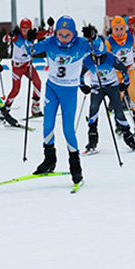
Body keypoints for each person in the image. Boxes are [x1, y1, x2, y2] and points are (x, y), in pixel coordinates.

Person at [29, 15, 89, 185]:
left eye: (67, 35)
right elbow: (30, 51)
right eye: (60, 34)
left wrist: (94, 38)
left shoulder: (81, 44)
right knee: (47, 125)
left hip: (69, 91)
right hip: (52, 89)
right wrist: (29, 40)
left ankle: (76, 167)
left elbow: (101, 50)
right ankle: (49, 160)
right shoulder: (50, 42)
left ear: (74, 34)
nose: (63, 38)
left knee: (68, 129)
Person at [80, 35, 135, 153]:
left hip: (112, 86)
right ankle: (92, 140)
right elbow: (80, 74)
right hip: (97, 87)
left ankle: (129, 139)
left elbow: (123, 69)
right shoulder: (88, 59)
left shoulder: (110, 57)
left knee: (119, 112)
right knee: (93, 110)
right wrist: (82, 86)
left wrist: (125, 84)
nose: (98, 59)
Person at [105, 16, 135, 134]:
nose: (119, 32)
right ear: (112, 29)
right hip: (117, 72)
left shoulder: (130, 38)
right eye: (116, 29)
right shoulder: (109, 42)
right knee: (118, 96)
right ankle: (119, 122)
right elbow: (106, 57)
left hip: (129, 69)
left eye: (121, 28)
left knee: (132, 92)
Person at [1, 17, 47, 117]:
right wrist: (11, 34)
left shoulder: (32, 35)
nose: (25, 32)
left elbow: (48, 34)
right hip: (17, 67)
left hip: (27, 65)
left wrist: (51, 27)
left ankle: (35, 107)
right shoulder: (16, 37)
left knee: (38, 82)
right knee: (16, 90)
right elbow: (4, 40)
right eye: (23, 29)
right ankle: (5, 110)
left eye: (27, 29)